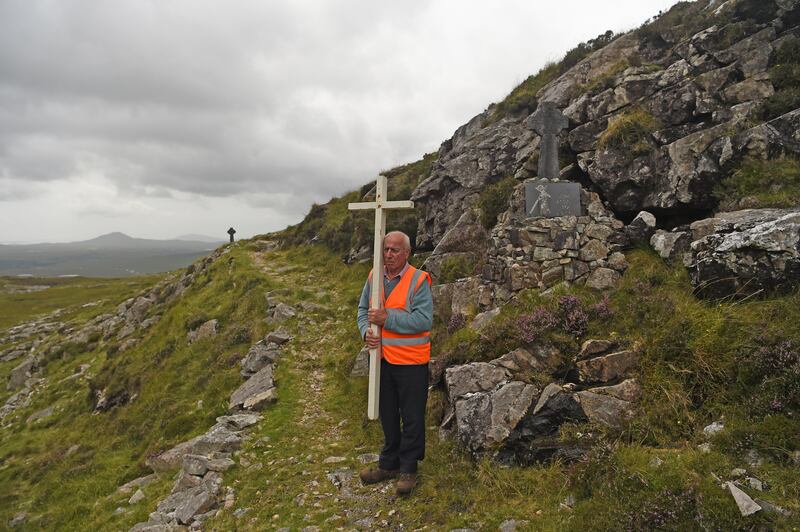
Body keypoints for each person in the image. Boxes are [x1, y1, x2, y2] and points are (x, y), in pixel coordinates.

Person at [356, 230, 433, 496]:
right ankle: (389, 464)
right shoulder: (374, 276)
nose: (388, 254)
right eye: (386, 249)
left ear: (407, 253)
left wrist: (387, 320)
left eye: (395, 250)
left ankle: (408, 470)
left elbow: (423, 321)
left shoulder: (418, 280)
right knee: (388, 415)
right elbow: (363, 311)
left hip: (412, 363)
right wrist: (366, 330)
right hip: (382, 361)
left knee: (411, 418)